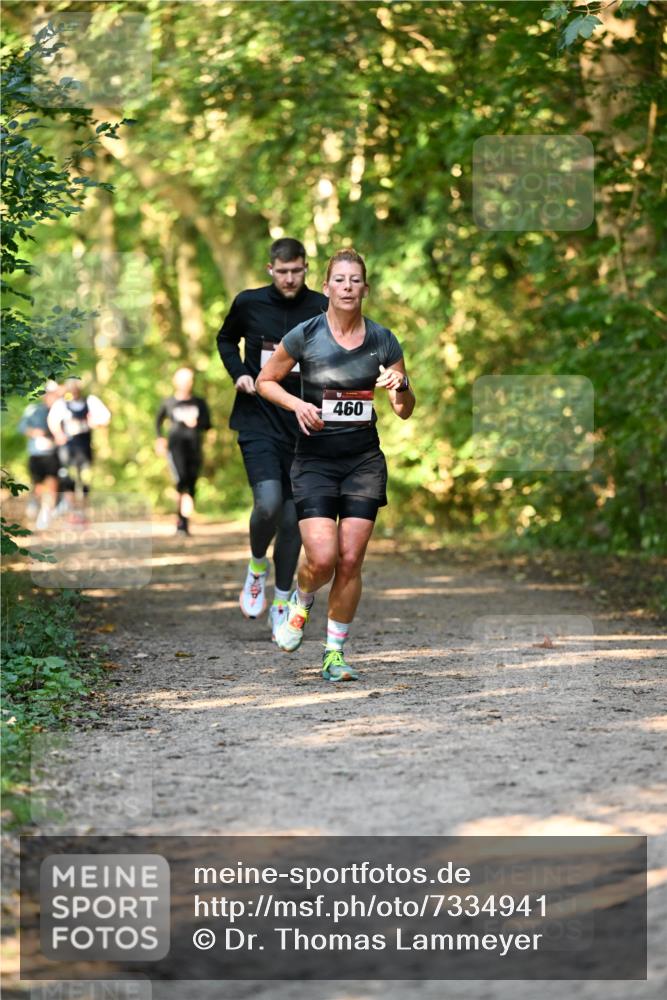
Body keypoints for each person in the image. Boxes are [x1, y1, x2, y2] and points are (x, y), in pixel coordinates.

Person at [256, 248, 415, 682]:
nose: (347, 287)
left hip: (363, 461)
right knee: (322, 558)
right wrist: (297, 405)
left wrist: (400, 385)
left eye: (355, 280)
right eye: (339, 280)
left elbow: (403, 410)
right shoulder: (305, 335)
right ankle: (300, 602)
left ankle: (333, 653)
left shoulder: (383, 339)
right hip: (314, 462)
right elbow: (265, 382)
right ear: (326, 287)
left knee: (350, 560)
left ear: (365, 287)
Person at [217, 237, 328, 638]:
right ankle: (256, 566)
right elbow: (225, 339)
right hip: (258, 419)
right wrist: (239, 374)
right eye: (282, 272)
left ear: (305, 268)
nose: (289, 279)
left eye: (296, 271)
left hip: (304, 425)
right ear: (270, 270)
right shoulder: (249, 303)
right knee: (267, 504)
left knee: (292, 518)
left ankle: (282, 599)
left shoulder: (321, 307)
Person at [156, 368, 211, 535]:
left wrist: (197, 422)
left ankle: (185, 520)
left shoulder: (199, 402)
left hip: (194, 448)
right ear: (176, 382)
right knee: (181, 481)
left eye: (189, 380)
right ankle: (181, 520)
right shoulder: (169, 402)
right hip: (175, 448)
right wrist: (160, 439)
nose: (186, 383)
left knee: (192, 484)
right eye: (183, 380)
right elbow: (157, 422)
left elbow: (208, 424)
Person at [47, 377, 111, 519]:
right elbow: (52, 421)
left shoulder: (90, 401)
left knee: (85, 479)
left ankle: (83, 511)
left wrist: (95, 423)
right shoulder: (62, 404)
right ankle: (72, 512)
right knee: (69, 478)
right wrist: (59, 434)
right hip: (68, 446)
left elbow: (105, 417)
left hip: (84, 444)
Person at [18, 380, 62, 529]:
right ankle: (35, 508)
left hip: (53, 453)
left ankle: (46, 514)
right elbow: (23, 427)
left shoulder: (61, 410)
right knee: (37, 486)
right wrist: (36, 433)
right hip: (36, 453)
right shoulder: (33, 409)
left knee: (52, 483)